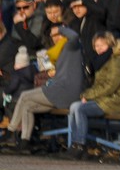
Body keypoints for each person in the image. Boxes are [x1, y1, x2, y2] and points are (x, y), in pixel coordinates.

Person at [3, 25, 84, 153]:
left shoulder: (71, 46)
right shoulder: (59, 52)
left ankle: (10, 132)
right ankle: (24, 142)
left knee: (24, 96)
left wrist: (60, 29)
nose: (55, 38)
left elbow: (74, 36)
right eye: (53, 36)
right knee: (28, 106)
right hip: (59, 90)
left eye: (57, 35)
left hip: (65, 91)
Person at [66, 32, 120, 159]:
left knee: (80, 108)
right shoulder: (101, 60)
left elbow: (111, 86)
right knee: (74, 106)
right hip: (106, 98)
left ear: (110, 43)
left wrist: (88, 95)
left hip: (118, 99)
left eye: (102, 45)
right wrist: (87, 96)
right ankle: (75, 143)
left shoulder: (116, 59)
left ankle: (80, 144)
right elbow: (100, 86)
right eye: (96, 45)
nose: (98, 48)